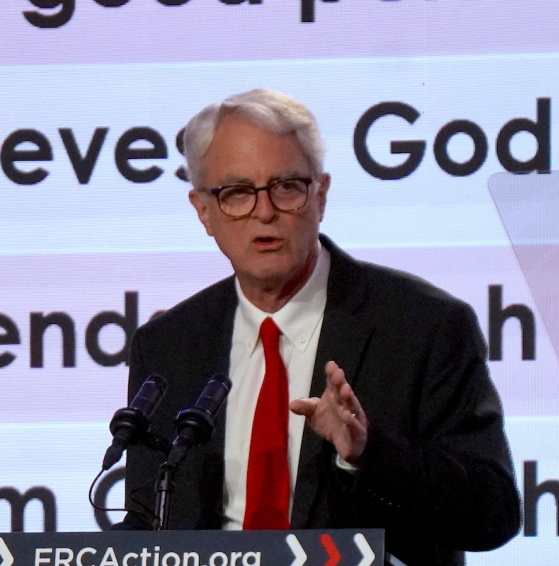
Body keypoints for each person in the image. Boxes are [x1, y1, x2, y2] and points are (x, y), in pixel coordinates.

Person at [116, 88, 521, 566]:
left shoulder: (423, 327)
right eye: (237, 193)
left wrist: (370, 454)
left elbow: (492, 513)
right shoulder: (168, 346)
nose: (264, 212)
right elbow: (148, 525)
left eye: (287, 187)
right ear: (203, 210)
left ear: (321, 195)